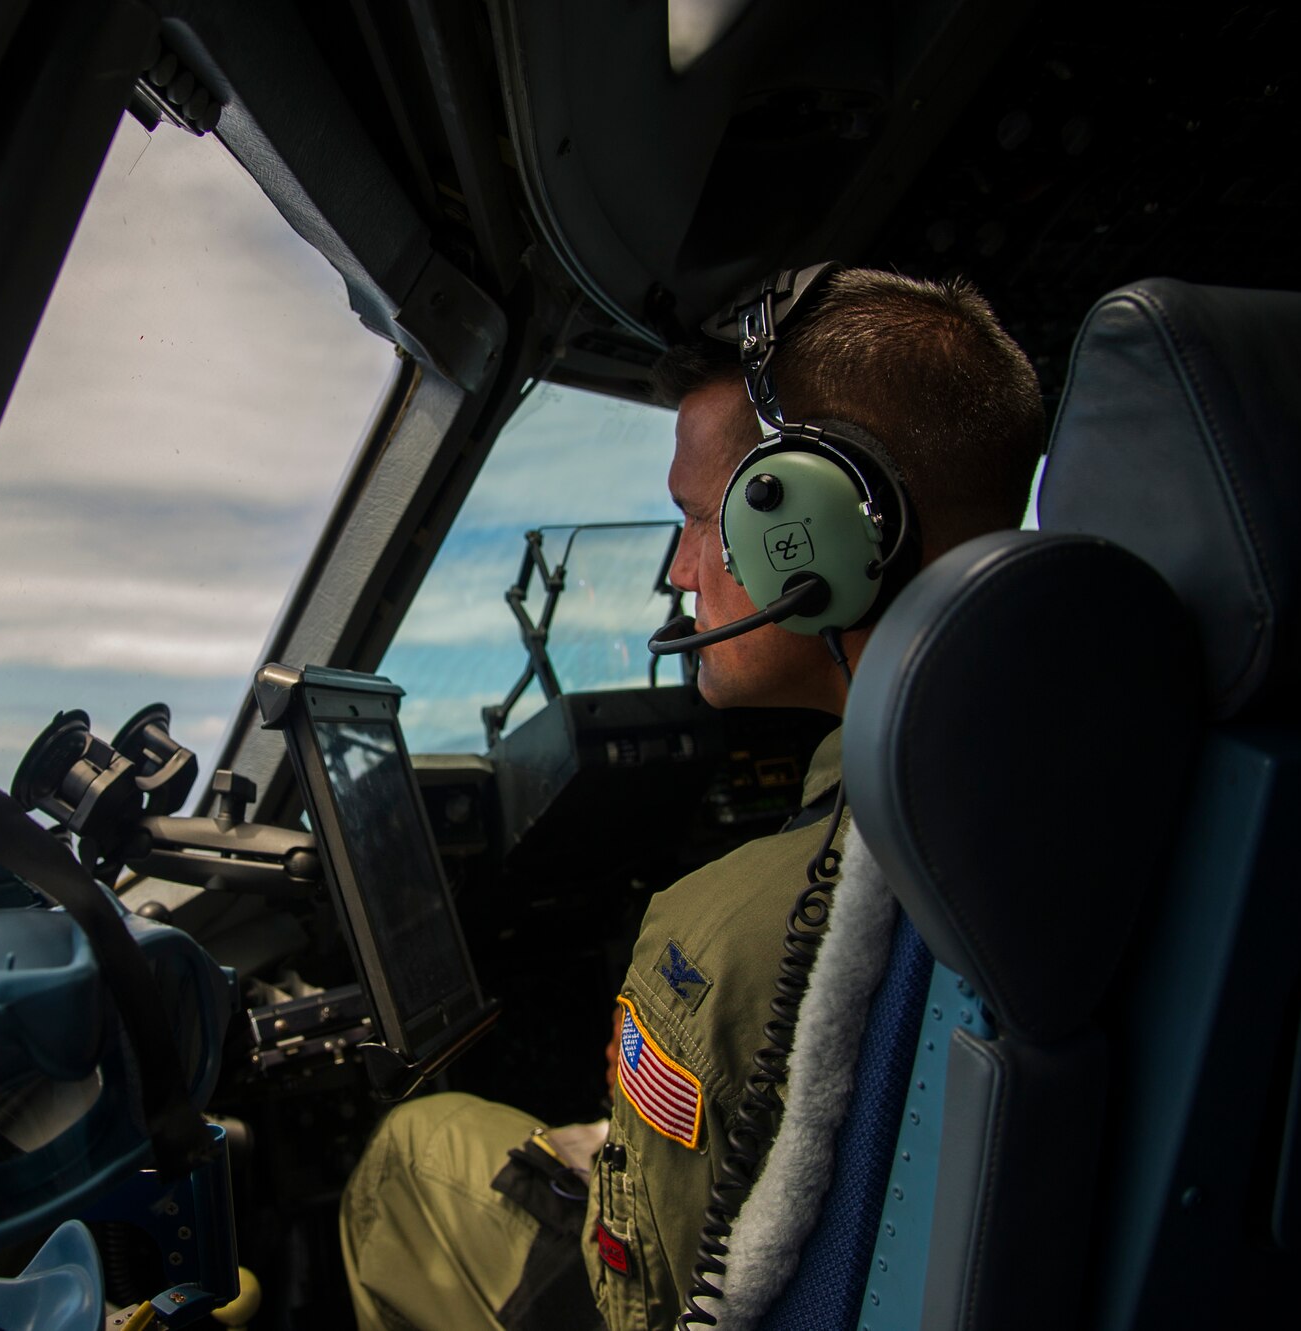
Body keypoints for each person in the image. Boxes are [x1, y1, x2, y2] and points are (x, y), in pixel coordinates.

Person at [339, 268, 1046, 1331]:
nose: (676, 570)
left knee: (413, 1145)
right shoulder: (1070, 769)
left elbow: (642, 1300)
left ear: (810, 524)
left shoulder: (722, 929)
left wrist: (615, 1164)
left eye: (697, 518)